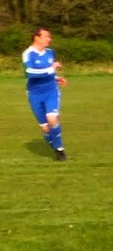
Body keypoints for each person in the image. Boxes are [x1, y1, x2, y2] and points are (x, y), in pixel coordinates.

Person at [23, 28, 68, 160]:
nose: (49, 39)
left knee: (52, 118)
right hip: (34, 93)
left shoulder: (50, 52)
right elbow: (29, 72)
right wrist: (51, 69)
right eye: (46, 36)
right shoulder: (28, 53)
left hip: (51, 91)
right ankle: (55, 148)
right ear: (37, 38)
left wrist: (56, 77)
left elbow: (50, 73)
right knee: (45, 128)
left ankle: (60, 150)